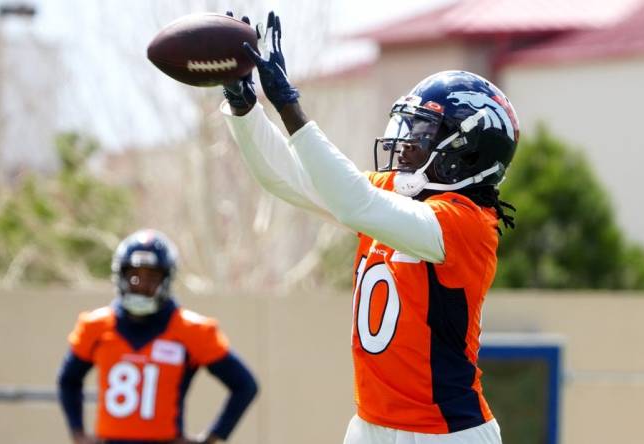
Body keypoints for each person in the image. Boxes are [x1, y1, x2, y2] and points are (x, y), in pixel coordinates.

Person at [222, 11, 519, 444]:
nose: (407, 142)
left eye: (423, 131)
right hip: (369, 426)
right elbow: (286, 178)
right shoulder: (397, 194)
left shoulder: (469, 226)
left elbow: (353, 202)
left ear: (467, 151)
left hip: (445, 434)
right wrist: (244, 108)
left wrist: (289, 105)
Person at [57, 229, 258, 444]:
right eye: (134, 276)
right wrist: (78, 434)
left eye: (152, 277)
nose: (142, 285)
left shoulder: (192, 331)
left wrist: (211, 438)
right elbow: (68, 379)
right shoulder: (95, 327)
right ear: (120, 276)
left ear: (167, 280)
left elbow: (244, 385)